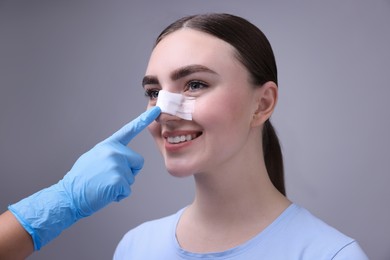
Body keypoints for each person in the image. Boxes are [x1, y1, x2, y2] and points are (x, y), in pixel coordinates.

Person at [0, 13, 368, 259]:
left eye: (194, 84)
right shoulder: (135, 247)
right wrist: (63, 202)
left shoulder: (329, 254)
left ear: (263, 103)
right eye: (152, 92)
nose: (165, 110)